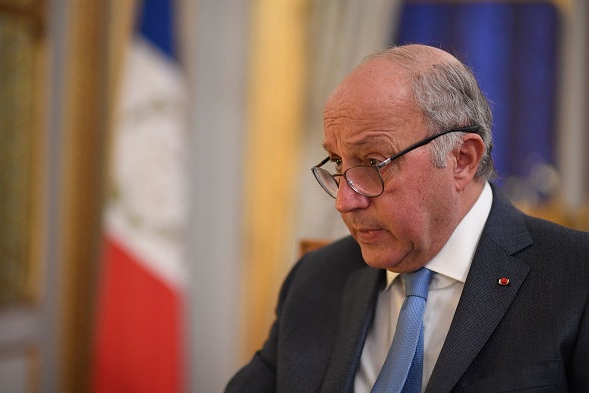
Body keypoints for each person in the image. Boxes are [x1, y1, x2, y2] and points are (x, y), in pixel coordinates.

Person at [225, 44, 589, 392]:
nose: (344, 200)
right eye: (337, 161)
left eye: (372, 162)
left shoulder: (575, 277)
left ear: (462, 159)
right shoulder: (315, 280)